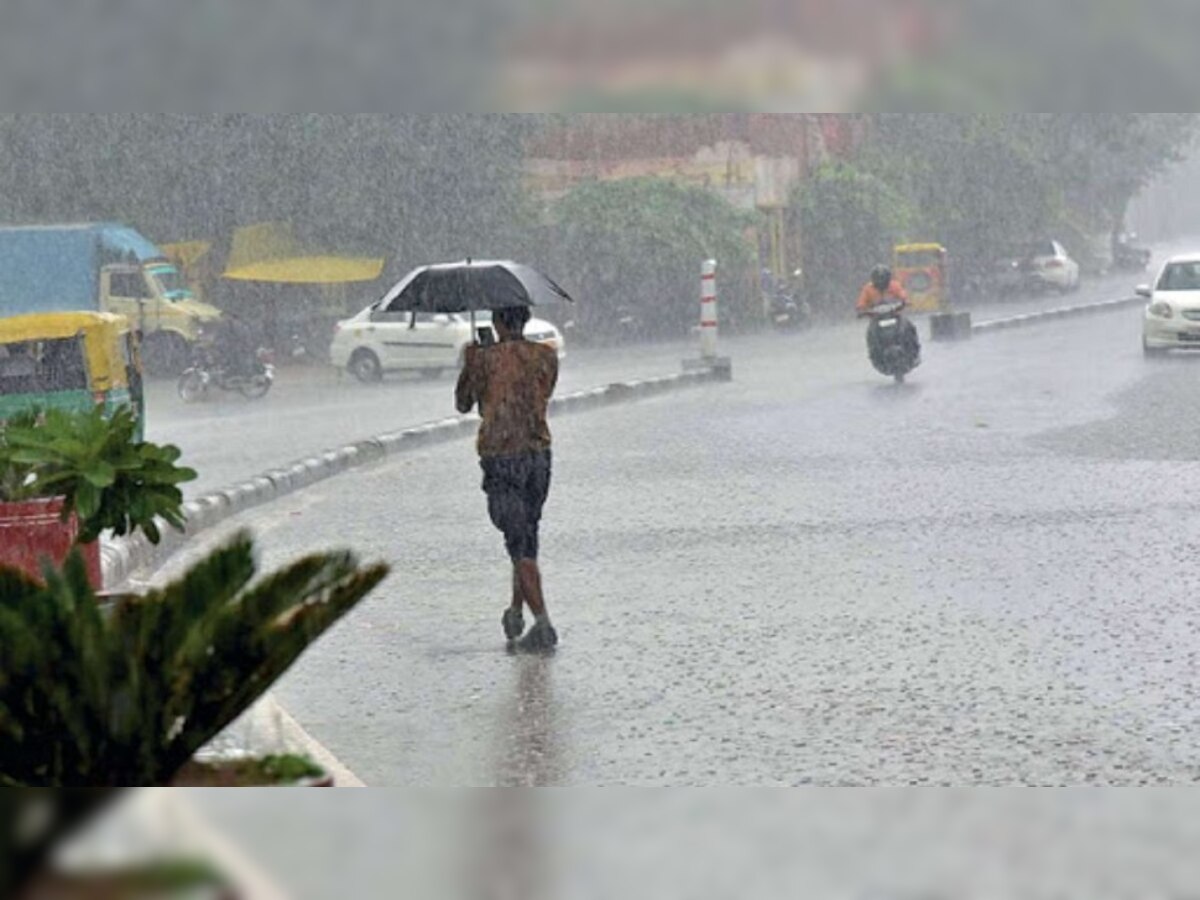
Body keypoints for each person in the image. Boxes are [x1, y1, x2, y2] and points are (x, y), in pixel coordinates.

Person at [456, 305, 560, 652]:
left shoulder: (483, 360)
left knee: (518, 544)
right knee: (526, 538)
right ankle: (517, 611)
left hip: (502, 457)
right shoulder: (546, 356)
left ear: (498, 323)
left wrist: (472, 362)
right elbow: (542, 394)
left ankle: (543, 624)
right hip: (538, 456)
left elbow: (462, 403)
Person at [856, 265, 921, 365]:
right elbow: (862, 302)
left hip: (895, 314)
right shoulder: (868, 289)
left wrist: (905, 301)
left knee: (910, 327)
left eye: (883, 279)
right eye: (878, 279)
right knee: (870, 334)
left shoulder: (895, 285)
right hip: (877, 318)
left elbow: (902, 295)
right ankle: (875, 355)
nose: (881, 282)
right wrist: (861, 310)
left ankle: (915, 351)